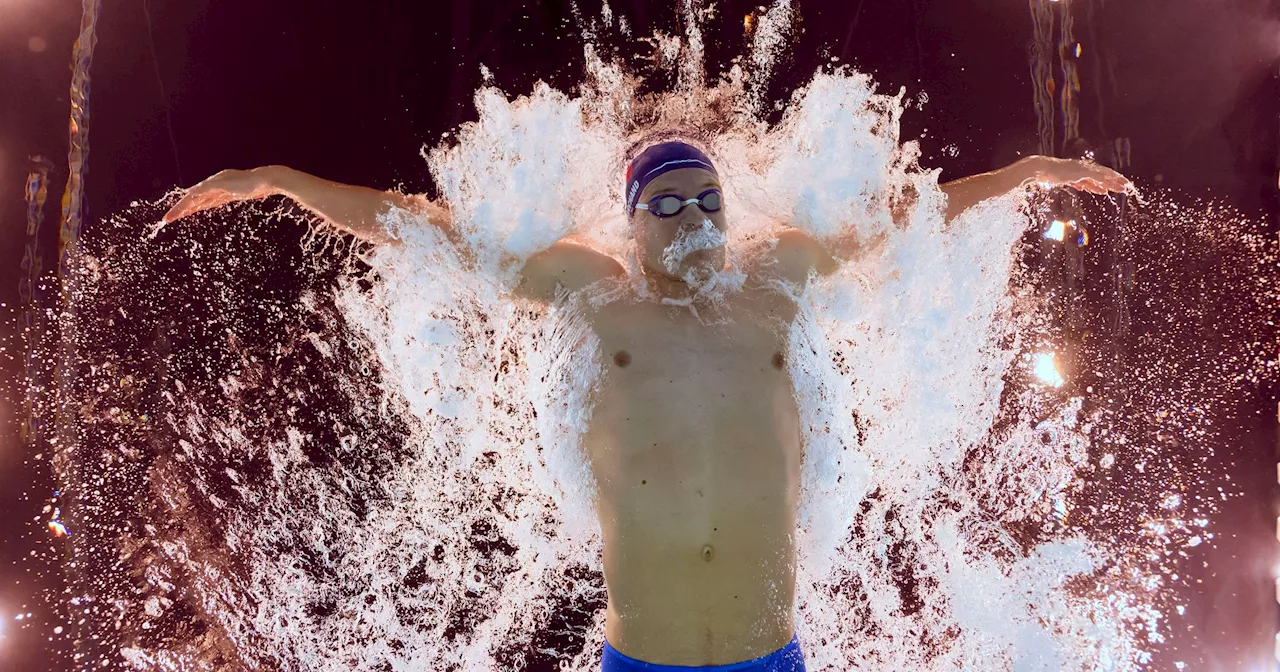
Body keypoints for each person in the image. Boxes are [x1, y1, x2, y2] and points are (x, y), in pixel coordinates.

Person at [163, 142, 1128, 671]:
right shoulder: (590, 288)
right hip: (641, 660)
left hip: (770, 657)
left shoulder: (780, 274)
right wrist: (277, 179)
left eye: (704, 198)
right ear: (631, 220)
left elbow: (906, 222)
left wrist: (1026, 177)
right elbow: (431, 235)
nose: (692, 219)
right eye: (664, 204)